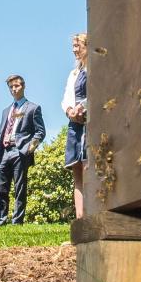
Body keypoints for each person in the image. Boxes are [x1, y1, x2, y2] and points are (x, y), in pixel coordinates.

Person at [0, 75, 45, 225]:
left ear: (23, 86)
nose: (14, 89)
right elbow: (0, 134)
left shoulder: (33, 108)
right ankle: (0, 220)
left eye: (17, 86)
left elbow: (40, 132)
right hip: (3, 152)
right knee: (1, 188)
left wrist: (29, 148)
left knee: (20, 188)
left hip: (20, 151)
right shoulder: (5, 111)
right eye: (11, 87)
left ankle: (17, 221)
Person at [62, 33, 88, 219]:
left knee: (88, 168)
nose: (74, 49)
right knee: (77, 170)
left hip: (90, 122)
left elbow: (99, 91)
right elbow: (66, 98)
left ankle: (93, 214)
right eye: (73, 46)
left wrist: (83, 107)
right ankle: (80, 218)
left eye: (77, 45)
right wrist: (69, 109)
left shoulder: (96, 69)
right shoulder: (74, 74)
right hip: (75, 125)